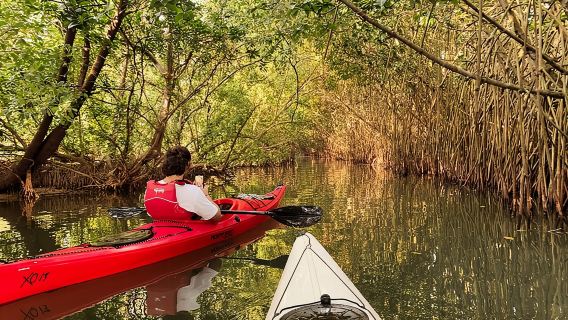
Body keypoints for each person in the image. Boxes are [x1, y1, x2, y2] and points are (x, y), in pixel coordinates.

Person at [144, 146, 222, 221]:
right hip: (185, 231)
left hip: (160, 230)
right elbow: (217, 217)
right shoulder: (193, 191)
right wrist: (205, 195)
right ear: (187, 165)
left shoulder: (149, 189)